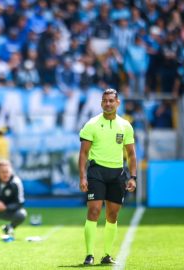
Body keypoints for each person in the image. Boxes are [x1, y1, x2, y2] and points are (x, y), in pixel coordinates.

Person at [78, 88, 137, 265]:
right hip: (96, 173)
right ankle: (89, 254)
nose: (108, 103)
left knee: (112, 215)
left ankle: (107, 255)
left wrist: (133, 177)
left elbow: (132, 155)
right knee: (94, 210)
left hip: (117, 173)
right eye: (105, 101)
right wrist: (82, 177)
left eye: (111, 100)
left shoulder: (125, 125)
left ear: (118, 103)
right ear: (101, 103)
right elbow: (83, 154)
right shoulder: (91, 124)